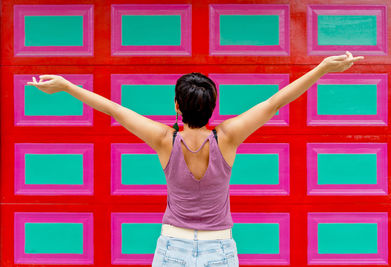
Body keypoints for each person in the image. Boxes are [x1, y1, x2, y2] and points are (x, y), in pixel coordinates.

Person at [27, 51, 363, 266]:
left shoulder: (163, 139)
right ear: (212, 107)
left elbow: (113, 109)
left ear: (177, 106)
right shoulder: (228, 136)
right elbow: (276, 103)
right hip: (220, 248)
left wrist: (67, 86)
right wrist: (322, 68)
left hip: (173, 244)